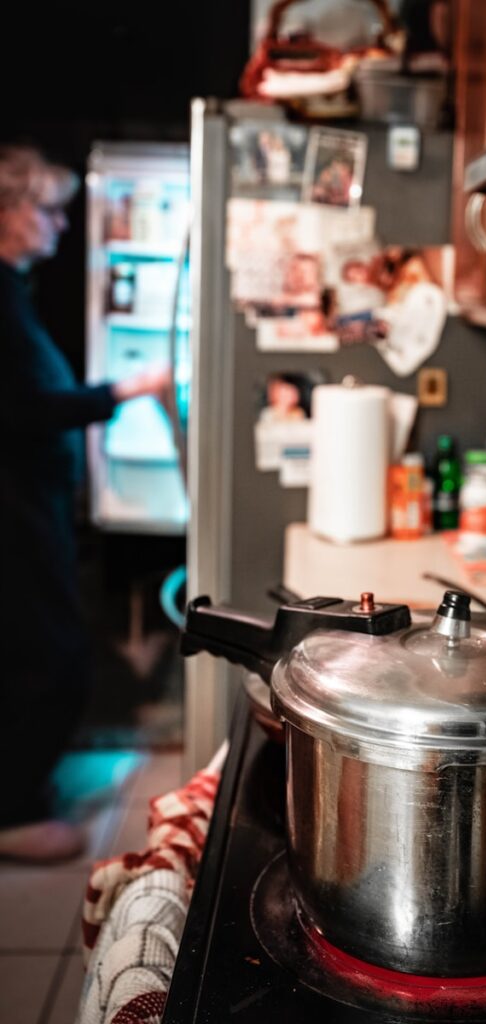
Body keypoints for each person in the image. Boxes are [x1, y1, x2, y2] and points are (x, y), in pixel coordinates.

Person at [0, 144, 171, 862]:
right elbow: (24, 409)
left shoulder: (13, 291)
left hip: (29, 504)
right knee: (50, 656)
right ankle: (11, 813)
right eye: (48, 209)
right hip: (12, 512)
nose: (61, 225)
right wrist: (121, 394)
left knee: (38, 649)